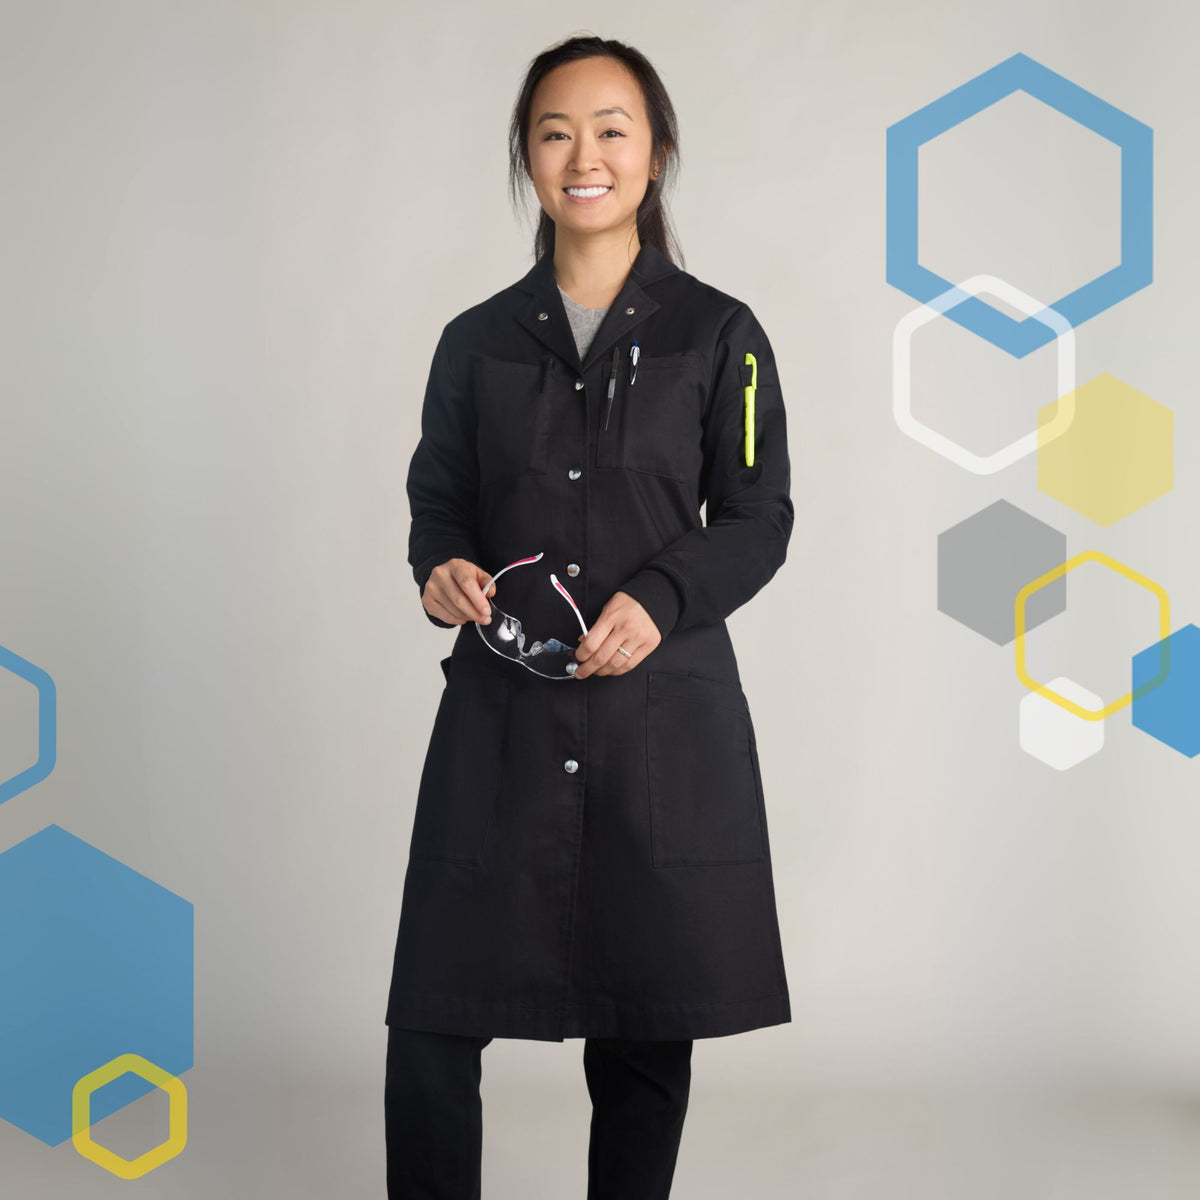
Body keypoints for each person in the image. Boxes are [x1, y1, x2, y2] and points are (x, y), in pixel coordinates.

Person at [384, 33, 794, 1200]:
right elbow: (439, 501)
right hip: (502, 717)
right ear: (527, 154)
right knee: (432, 1022)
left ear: (656, 154)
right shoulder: (474, 342)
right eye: (556, 132)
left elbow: (757, 516)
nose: (585, 156)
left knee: (644, 1028)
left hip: (655, 722)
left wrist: (662, 599)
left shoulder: (719, 336)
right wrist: (440, 567)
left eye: (612, 130)